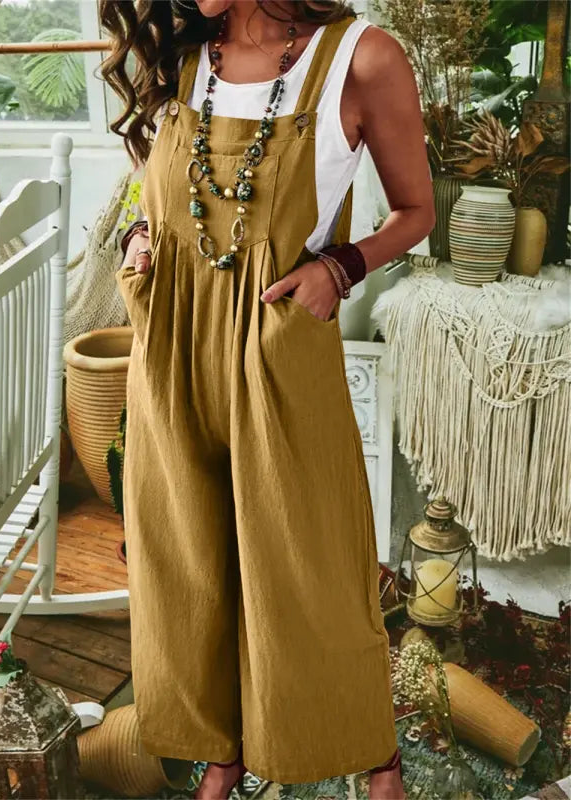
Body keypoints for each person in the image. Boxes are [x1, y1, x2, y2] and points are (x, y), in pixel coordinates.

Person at [100, 1, 434, 798]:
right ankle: (222, 749)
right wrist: (138, 235)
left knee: (312, 568)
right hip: (172, 348)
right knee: (189, 564)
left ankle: (375, 753)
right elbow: (158, 185)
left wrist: (340, 269)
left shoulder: (361, 58)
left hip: (277, 350)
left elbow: (417, 211)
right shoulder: (184, 51)